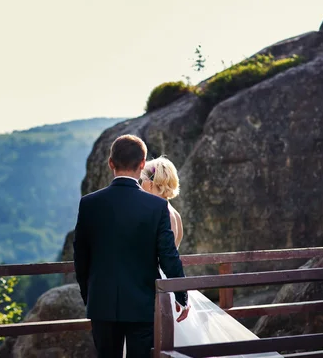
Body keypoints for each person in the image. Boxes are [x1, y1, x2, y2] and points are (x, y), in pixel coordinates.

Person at [139, 156, 281, 358]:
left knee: (165, 345)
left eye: (142, 179)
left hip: (161, 287)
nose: (140, 184)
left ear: (151, 182)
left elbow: (165, 256)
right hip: (169, 283)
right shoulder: (174, 213)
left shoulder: (161, 214)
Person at [73, 135, 189, 358]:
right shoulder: (156, 206)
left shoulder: (89, 203)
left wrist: (89, 296)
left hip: (101, 305)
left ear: (110, 163)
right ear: (143, 164)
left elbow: (81, 257)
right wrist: (181, 296)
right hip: (142, 304)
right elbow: (168, 256)